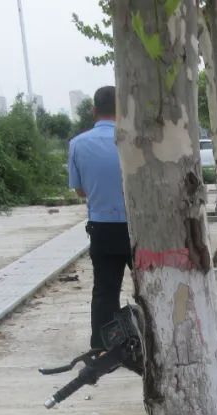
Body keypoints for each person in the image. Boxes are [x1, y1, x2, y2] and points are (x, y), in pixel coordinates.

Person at [68, 85, 129, 350]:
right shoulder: (135, 140)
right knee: (151, 285)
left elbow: (80, 190)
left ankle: (104, 345)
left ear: (94, 110)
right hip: (138, 228)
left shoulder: (77, 144)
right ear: (122, 110)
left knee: (105, 289)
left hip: (102, 228)